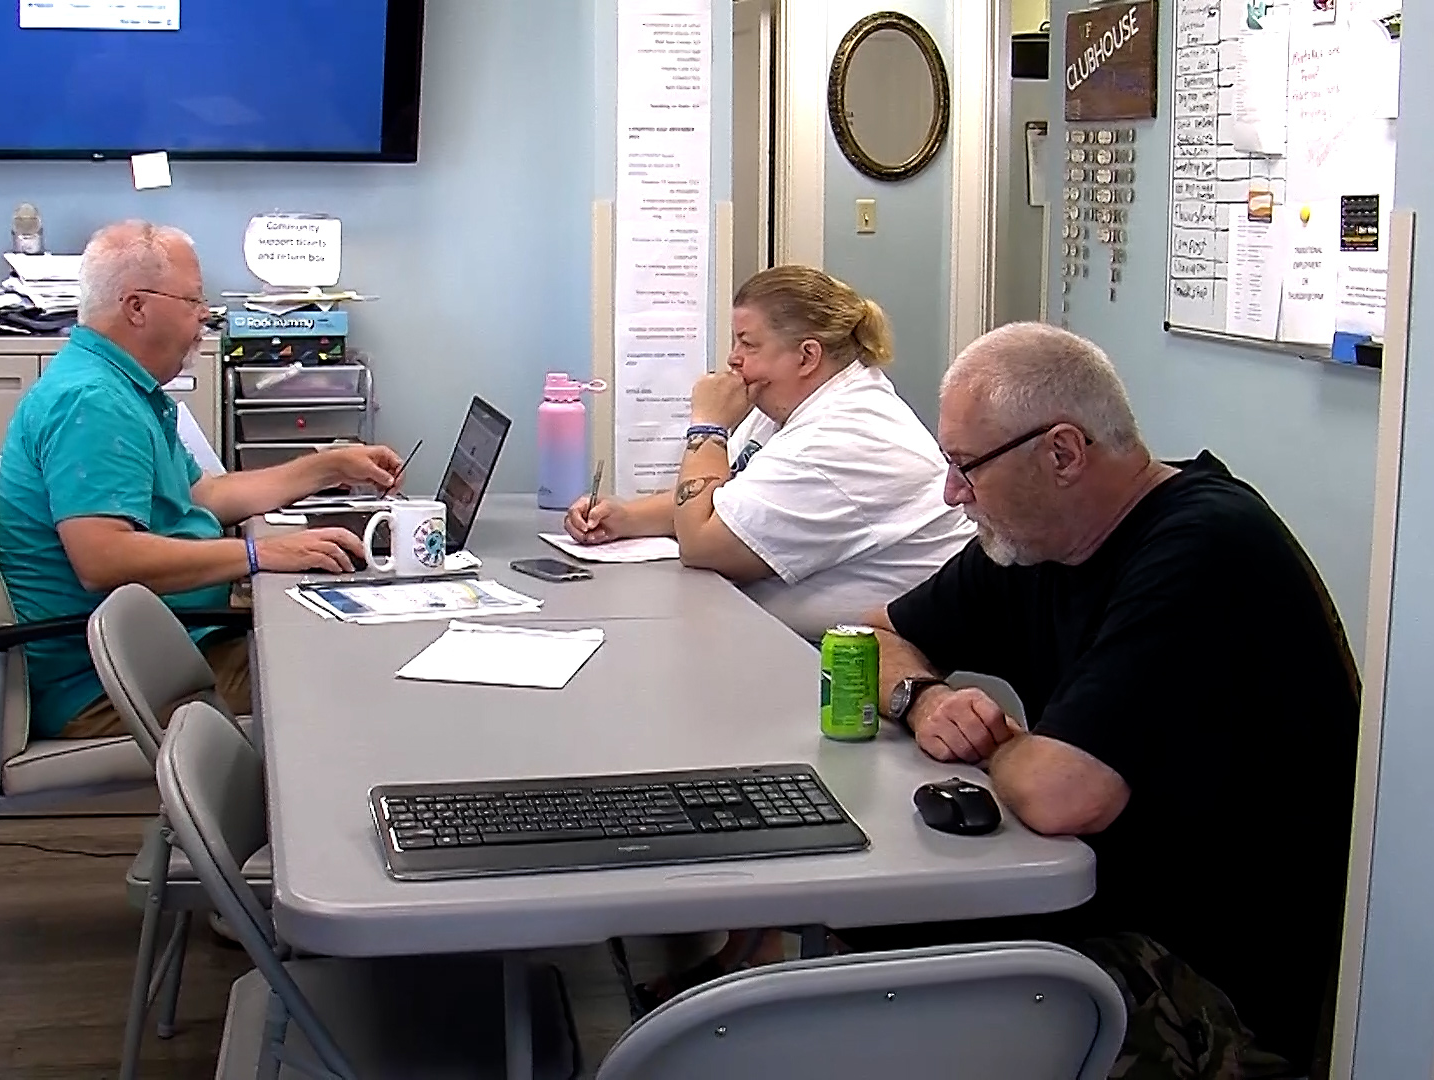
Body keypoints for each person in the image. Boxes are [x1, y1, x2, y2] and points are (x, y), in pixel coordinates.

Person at [855, 321, 1359, 1078]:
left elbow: (1063, 796)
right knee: (872, 932)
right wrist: (924, 700)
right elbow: (879, 635)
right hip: (1107, 903)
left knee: (884, 978)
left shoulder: (1207, 548)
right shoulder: (1034, 538)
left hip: (1207, 973)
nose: (952, 494)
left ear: (1062, 453)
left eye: (966, 467)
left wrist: (998, 745)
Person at [0, 221, 402, 741]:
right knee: (346, 672)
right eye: (193, 300)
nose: (205, 315)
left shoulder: (119, 387)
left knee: (326, 637)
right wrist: (260, 556)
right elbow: (103, 560)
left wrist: (328, 465)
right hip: (110, 680)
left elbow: (202, 496)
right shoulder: (93, 403)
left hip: (159, 643)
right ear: (136, 307)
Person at [564, 265, 973, 640]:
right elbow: (721, 501)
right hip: (775, 639)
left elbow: (703, 543)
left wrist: (708, 426)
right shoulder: (788, 402)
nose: (732, 358)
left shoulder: (842, 436)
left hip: (859, 666)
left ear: (807, 356)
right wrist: (624, 518)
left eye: (748, 343)